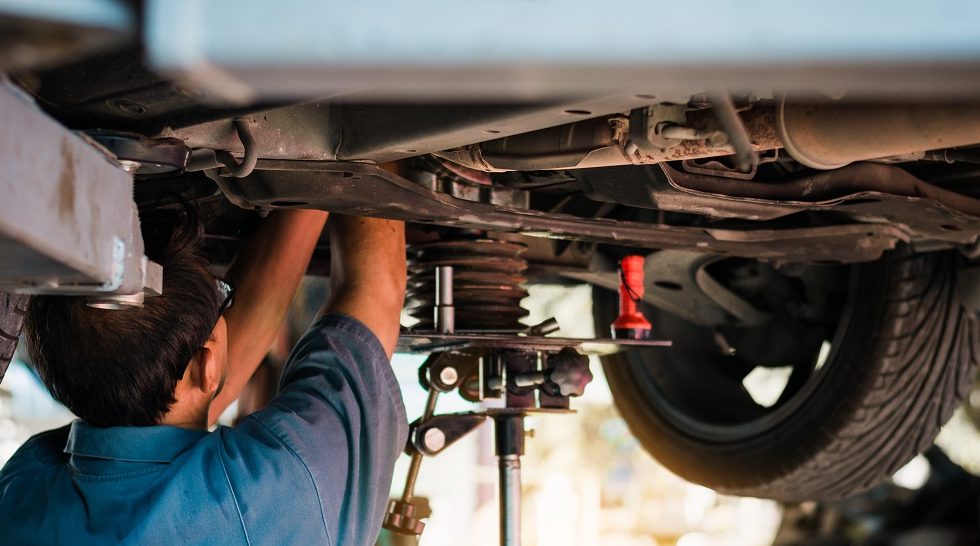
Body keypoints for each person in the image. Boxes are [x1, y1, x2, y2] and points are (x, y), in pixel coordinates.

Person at [0, 207, 408, 545]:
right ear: (206, 365)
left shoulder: (20, 497)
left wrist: (308, 196)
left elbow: (190, 402)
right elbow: (374, 289)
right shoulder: (17, 492)